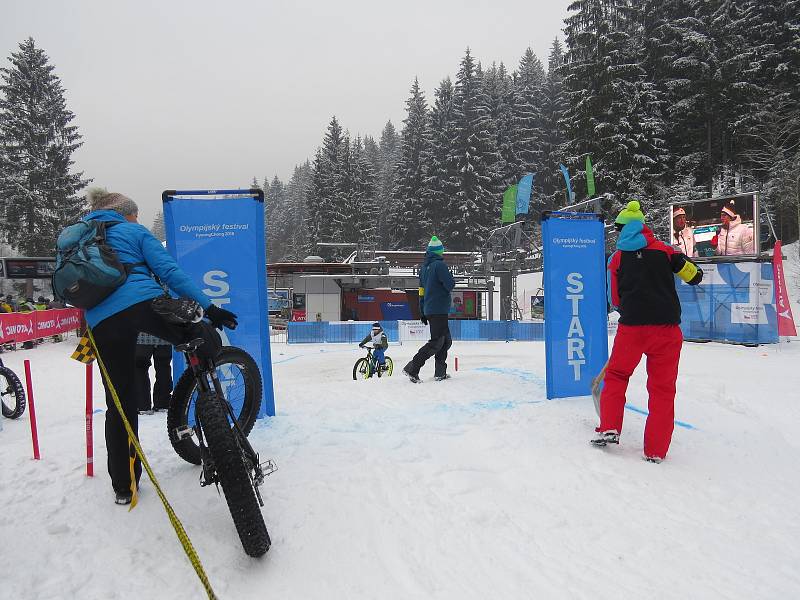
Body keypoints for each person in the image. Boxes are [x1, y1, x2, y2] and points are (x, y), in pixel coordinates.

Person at [80, 188, 237, 505]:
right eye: (134, 213)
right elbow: (169, 272)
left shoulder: (80, 238)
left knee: (119, 405)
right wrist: (210, 307)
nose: (137, 218)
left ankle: (125, 487)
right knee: (202, 335)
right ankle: (212, 410)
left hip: (100, 322)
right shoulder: (133, 231)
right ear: (124, 213)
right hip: (143, 303)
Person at [592, 200, 703, 463]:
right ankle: (655, 451)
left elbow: (615, 298)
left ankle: (609, 426)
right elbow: (694, 275)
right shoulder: (666, 251)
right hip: (666, 331)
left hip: (632, 330)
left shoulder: (616, 258)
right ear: (644, 227)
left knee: (617, 376)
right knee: (663, 390)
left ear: (621, 229)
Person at [403, 235, 455, 383]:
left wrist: (422, 310)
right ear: (439, 251)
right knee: (437, 342)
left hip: (431, 309)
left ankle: (440, 372)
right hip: (439, 309)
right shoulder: (439, 265)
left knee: (446, 342)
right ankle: (412, 368)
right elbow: (450, 284)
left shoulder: (424, 268)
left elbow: (421, 291)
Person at [135, 332, 173, 414]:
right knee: (164, 369)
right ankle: (163, 403)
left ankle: (142, 405)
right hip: (164, 337)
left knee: (140, 369)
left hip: (142, 337)